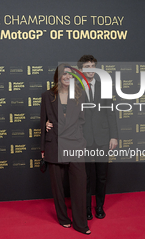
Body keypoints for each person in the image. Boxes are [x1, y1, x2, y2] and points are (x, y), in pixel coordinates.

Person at [40, 63, 91, 235]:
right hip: (54, 144)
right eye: (64, 74)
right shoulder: (47, 95)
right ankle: (63, 218)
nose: (68, 77)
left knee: (79, 183)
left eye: (71, 75)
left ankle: (81, 224)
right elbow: (43, 122)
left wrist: (80, 138)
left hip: (75, 144)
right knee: (58, 187)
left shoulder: (79, 94)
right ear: (58, 77)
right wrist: (42, 148)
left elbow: (83, 120)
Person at [77, 55, 118, 220]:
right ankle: (86, 208)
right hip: (84, 138)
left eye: (93, 66)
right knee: (84, 177)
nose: (90, 69)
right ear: (81, 70)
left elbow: (111, 112)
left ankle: (99, 206)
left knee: (101, 176)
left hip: (102, 138)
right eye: (87, 66)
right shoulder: (75, 88)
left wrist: (114, 136)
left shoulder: (104, 87)